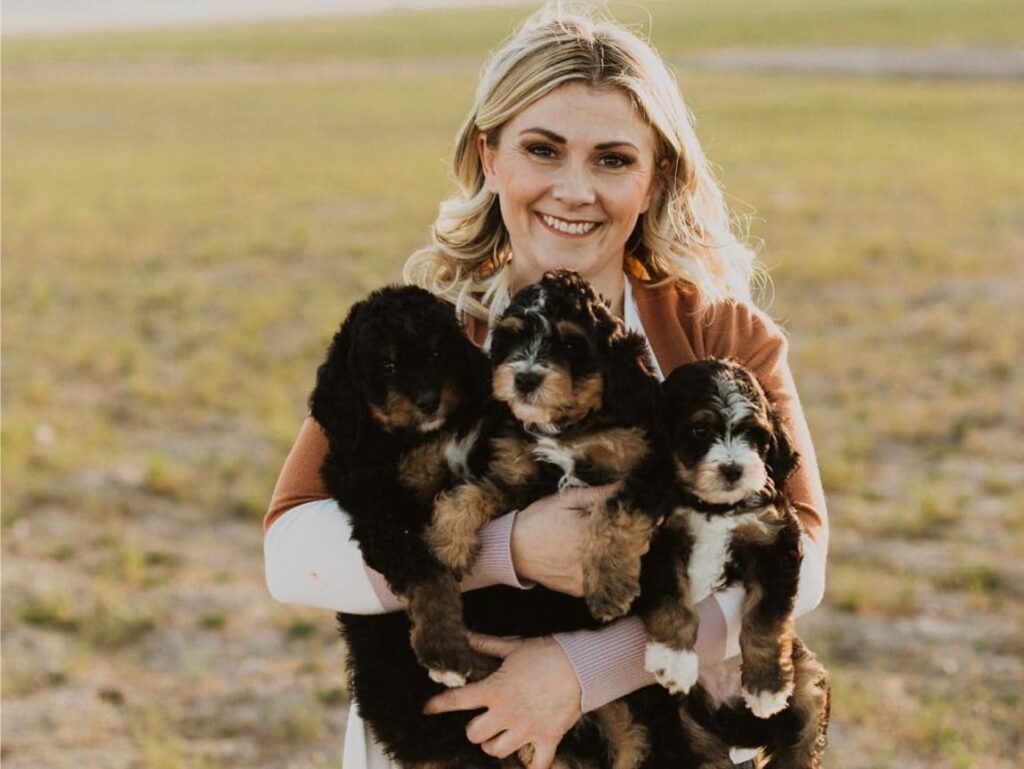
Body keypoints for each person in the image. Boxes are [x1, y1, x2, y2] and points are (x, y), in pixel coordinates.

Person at [263, 8, 828, 769]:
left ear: (655, 175)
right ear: (490, 154)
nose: (574, 189)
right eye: (542, 149)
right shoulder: (424, 336)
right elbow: (291, 548)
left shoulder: (718, 336)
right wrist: (510, 548)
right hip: (460, 734)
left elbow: (804, 553)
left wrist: (584, 667)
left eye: (612, 159)